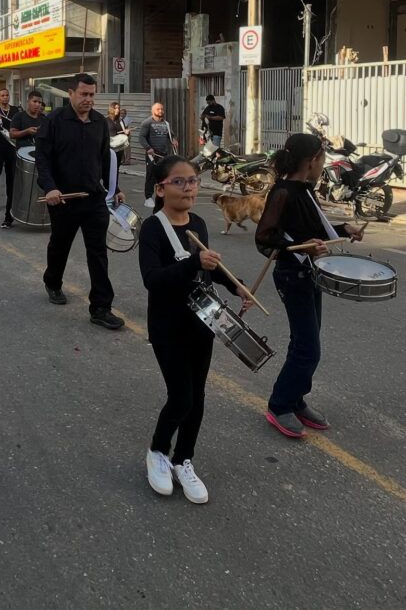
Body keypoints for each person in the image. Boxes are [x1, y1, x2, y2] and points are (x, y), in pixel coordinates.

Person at [138, 155, 251, 503]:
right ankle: (158, 451)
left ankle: (183, 459)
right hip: (167, 327)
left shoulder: (198, 223)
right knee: (181, 396)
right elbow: (152, 279)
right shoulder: (153, 228)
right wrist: (192, 263)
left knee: (197, 397)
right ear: (161, 189)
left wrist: (236, 286)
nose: (189, 188)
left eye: (193, 181)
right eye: (179, 181)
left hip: (202, 324)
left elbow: (208, 269)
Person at [255, 133, 363, 439]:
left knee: (305, 342)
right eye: (322, 158)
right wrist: (303, 247)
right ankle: (279, 405)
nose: (323, 164)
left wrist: (345, 229)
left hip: (309, 274)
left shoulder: (305, 190)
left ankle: (296, 399)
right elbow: (265, 237)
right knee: (308, 349)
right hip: (292, 276)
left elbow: (314, 231)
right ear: (312, 160)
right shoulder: (283, 192)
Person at [35, 73, 125, 330]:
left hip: (93, 198)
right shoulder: (54, 121)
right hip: (63, 198)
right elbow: (42, 159)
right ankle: (53, 282)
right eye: (84, 94)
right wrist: (50, 188)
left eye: (92, 95)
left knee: (98, 253)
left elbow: (105, 159)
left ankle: (101, 307)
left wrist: (115, 188)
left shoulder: (99, 122)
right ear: (71, 94)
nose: (88, 99)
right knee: (60, 245)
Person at [0, 88, 20, 224]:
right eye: (2, 95)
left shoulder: (15, 110)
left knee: (11, 175)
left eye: (7, 95)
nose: (5, 97)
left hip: (11, 147)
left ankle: (10, 200)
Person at [139, 102, 177, 209]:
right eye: (158, 109)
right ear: (153, 111)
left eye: (162, 109)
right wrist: (148, 148)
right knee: (151, 175)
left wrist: (174, 140)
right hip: (152, 154)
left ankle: (161, 196)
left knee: (163, 176)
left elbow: (171, 135)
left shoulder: (166, 124)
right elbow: (141, 137)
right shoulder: (147, 123)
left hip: (164, 154)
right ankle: (148, 198)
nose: (160, 111)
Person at [106, 101, 130, 175]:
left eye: (118, 108)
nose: (117, 110)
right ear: (111, 109)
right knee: (108, 169)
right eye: (115, 108)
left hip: (119, 149)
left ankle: (115, 182)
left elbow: (124, 134)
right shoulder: (106, 120)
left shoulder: (120, 121)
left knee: (116, 169)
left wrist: (127, 133)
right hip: (110, 149)